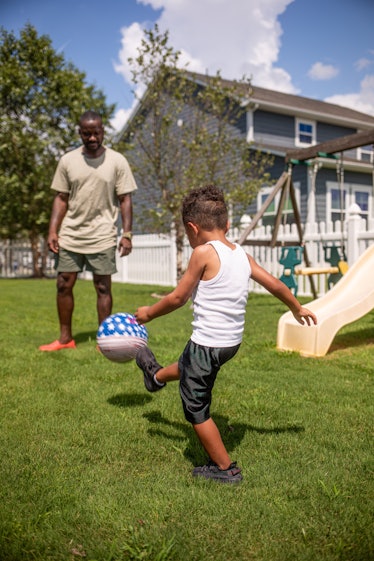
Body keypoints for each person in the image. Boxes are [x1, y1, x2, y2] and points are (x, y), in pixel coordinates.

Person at [135, 184, 317, 483]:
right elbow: (275, 284)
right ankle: (155, 377)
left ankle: (224, 468)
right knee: (191, 367)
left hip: (207, 343)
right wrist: (297, 307)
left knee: (195, 406)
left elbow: (178, 298)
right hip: (230, 343)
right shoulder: (241, 254)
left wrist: (148, 314)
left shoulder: (202, 253)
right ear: (227, 224)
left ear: (192, 228)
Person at [39, 110, 137, 351]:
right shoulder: (68, 161)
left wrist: (127, 233)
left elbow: (125, 199)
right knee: (63, 284)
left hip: (103, 234)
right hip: (71, 234)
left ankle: (104, 341)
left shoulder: (117, 161)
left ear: (103, 131)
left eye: (96, 133)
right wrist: (53, 230)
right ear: (79, 133)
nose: (92, 138)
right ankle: (65, 339)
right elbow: (61, 198)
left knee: (103, 287)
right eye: (86, 133)